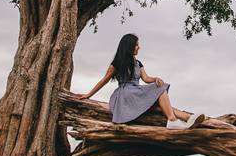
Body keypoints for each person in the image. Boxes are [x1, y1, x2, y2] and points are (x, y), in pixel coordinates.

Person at [77, 33, 205, 130]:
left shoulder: (138, 63)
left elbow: (146, 79)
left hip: (136, 91)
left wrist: (155, 79)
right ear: (130, 46)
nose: (139, 47)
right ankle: (172, 119)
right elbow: (103, 81)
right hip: (125, 94)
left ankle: (188, 118)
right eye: (137, 45)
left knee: (160, 97)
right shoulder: (117, 63)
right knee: (160, 89)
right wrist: (89, 95)